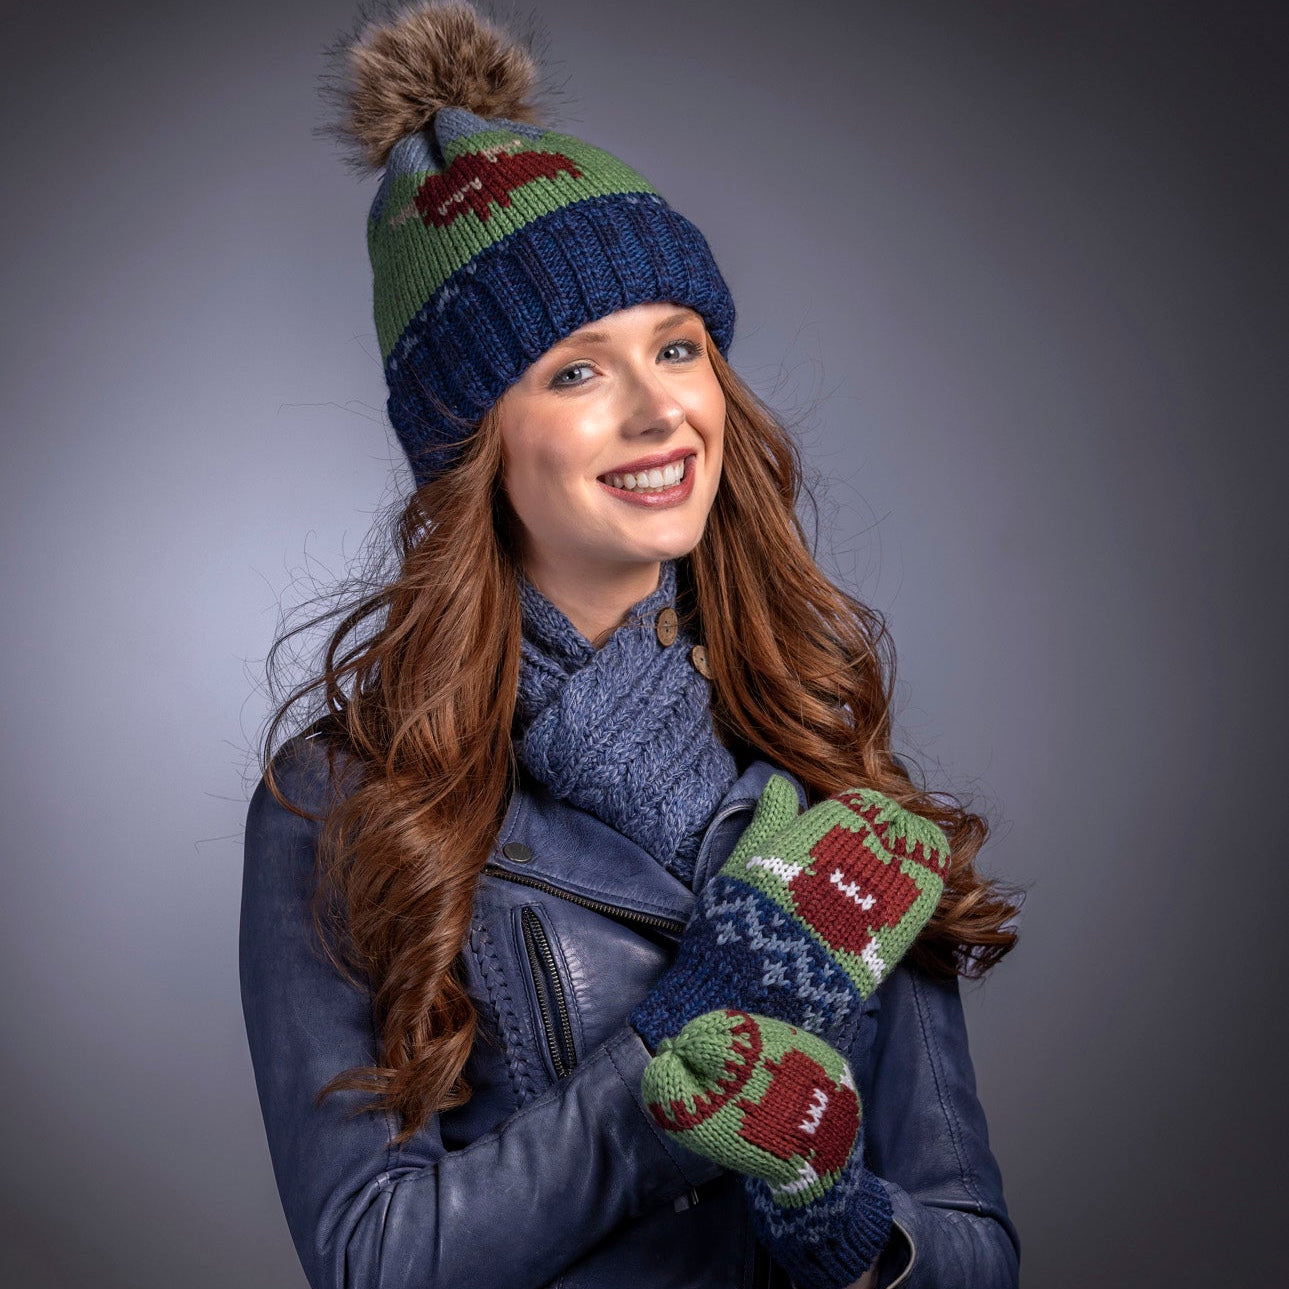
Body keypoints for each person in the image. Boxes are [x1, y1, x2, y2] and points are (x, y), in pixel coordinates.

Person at [239, 4, 1022, 1287]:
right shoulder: (343, 799)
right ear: (471, 443)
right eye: (575, 371)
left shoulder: (817, 758)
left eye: (678, 346)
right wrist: (691, 1047)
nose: (663, 408)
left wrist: (837, 1217)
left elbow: (970, 1245)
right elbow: (373, 1257)